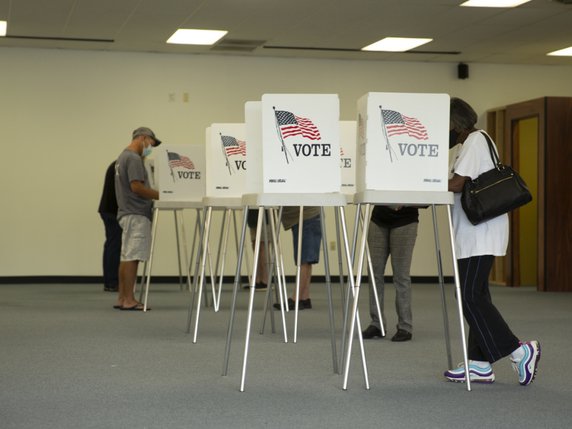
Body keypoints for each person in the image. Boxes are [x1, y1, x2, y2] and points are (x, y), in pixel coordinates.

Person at [445, 97, 540, 385]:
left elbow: (457, 184)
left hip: (480, 234)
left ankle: (519, 350)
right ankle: (479, 363)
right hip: (470, 233)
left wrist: (420, 183)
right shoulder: (465, 146)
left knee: (470, 296)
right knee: (475, 296)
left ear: (454, 122)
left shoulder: (476, 139)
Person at [114, 127, 161, 311]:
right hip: (136, 212)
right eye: (150, 143)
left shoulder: (122, 157)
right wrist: (161, 195)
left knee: (126, 256)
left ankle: (122, 297)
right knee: (133, 256)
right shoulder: (133, 158)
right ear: (142, 138)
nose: (150, 147)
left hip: (126, 212)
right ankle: (129, 300)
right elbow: (137, 187)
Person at [362, 205, 420, 342]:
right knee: (374, 272)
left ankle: (405, 326)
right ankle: (377, 323)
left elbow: (424, 198)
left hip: (406, 220)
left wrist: (403, 202)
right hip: (378, 219)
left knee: (401, 276)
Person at [273, 206, 322, 310]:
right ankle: (304, 298)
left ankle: (296, 299)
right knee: (306, 260)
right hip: (304, 216)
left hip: (306, 216)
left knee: (304, 260)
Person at [98, 161, 122, 292]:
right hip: (113, 210)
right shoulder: (126, 162)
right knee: (114, 246)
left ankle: (110, 281)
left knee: (111, 245)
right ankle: (112, 282)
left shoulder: (117, 163)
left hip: (108, 208)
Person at [243, 209, 269, 291]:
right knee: (255, 245)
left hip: (265, 215)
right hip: (253, 215)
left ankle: (265, 279)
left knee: (262, 245)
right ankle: (257, 279)